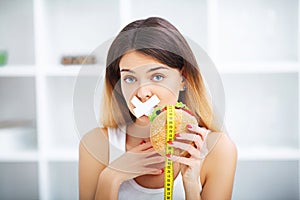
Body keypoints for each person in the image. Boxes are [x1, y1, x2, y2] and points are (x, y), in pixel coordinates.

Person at [79, 17, 237, 200]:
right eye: (130, 79)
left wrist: (192, 186)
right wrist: (111, 177)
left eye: (157, 77)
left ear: (183, 79)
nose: (142, 92)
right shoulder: (96, 144)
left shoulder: (218, 150)